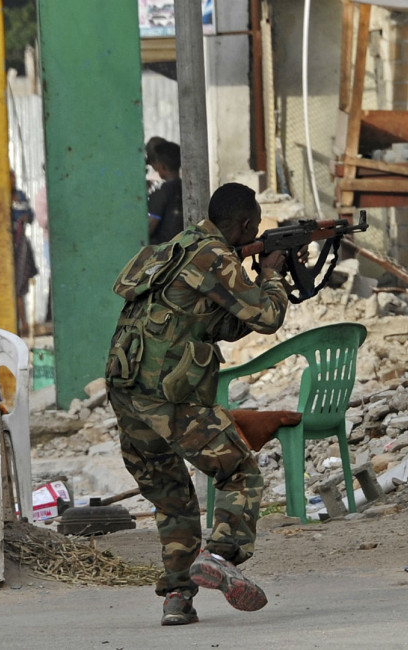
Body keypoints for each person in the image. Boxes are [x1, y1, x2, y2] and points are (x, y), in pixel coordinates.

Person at [104, 183, 292, 626]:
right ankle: (218, 555)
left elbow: (221, 325)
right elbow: (266, 317)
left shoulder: (175, 249)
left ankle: (177, 600)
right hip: (169, 398)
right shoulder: (215, 258)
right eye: (256, 223)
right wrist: (272, 274)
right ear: (245, 223)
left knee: (173, 499)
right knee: (238, 472)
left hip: (127, 394)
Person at [10, 171, 38, 336]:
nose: (12, 180)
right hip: (8, 248)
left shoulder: (20, 196)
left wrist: (24, 218)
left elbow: (31, 216)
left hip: (20, 247)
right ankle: (20, 323)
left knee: (19, 287)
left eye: (13, 176)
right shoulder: (1, 197)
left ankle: (24, 323)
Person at [147, 140, 183, 245]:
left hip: (163, 250)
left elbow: (149, 227)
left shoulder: (162, 193)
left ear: (163, 167)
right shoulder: (183, 187)